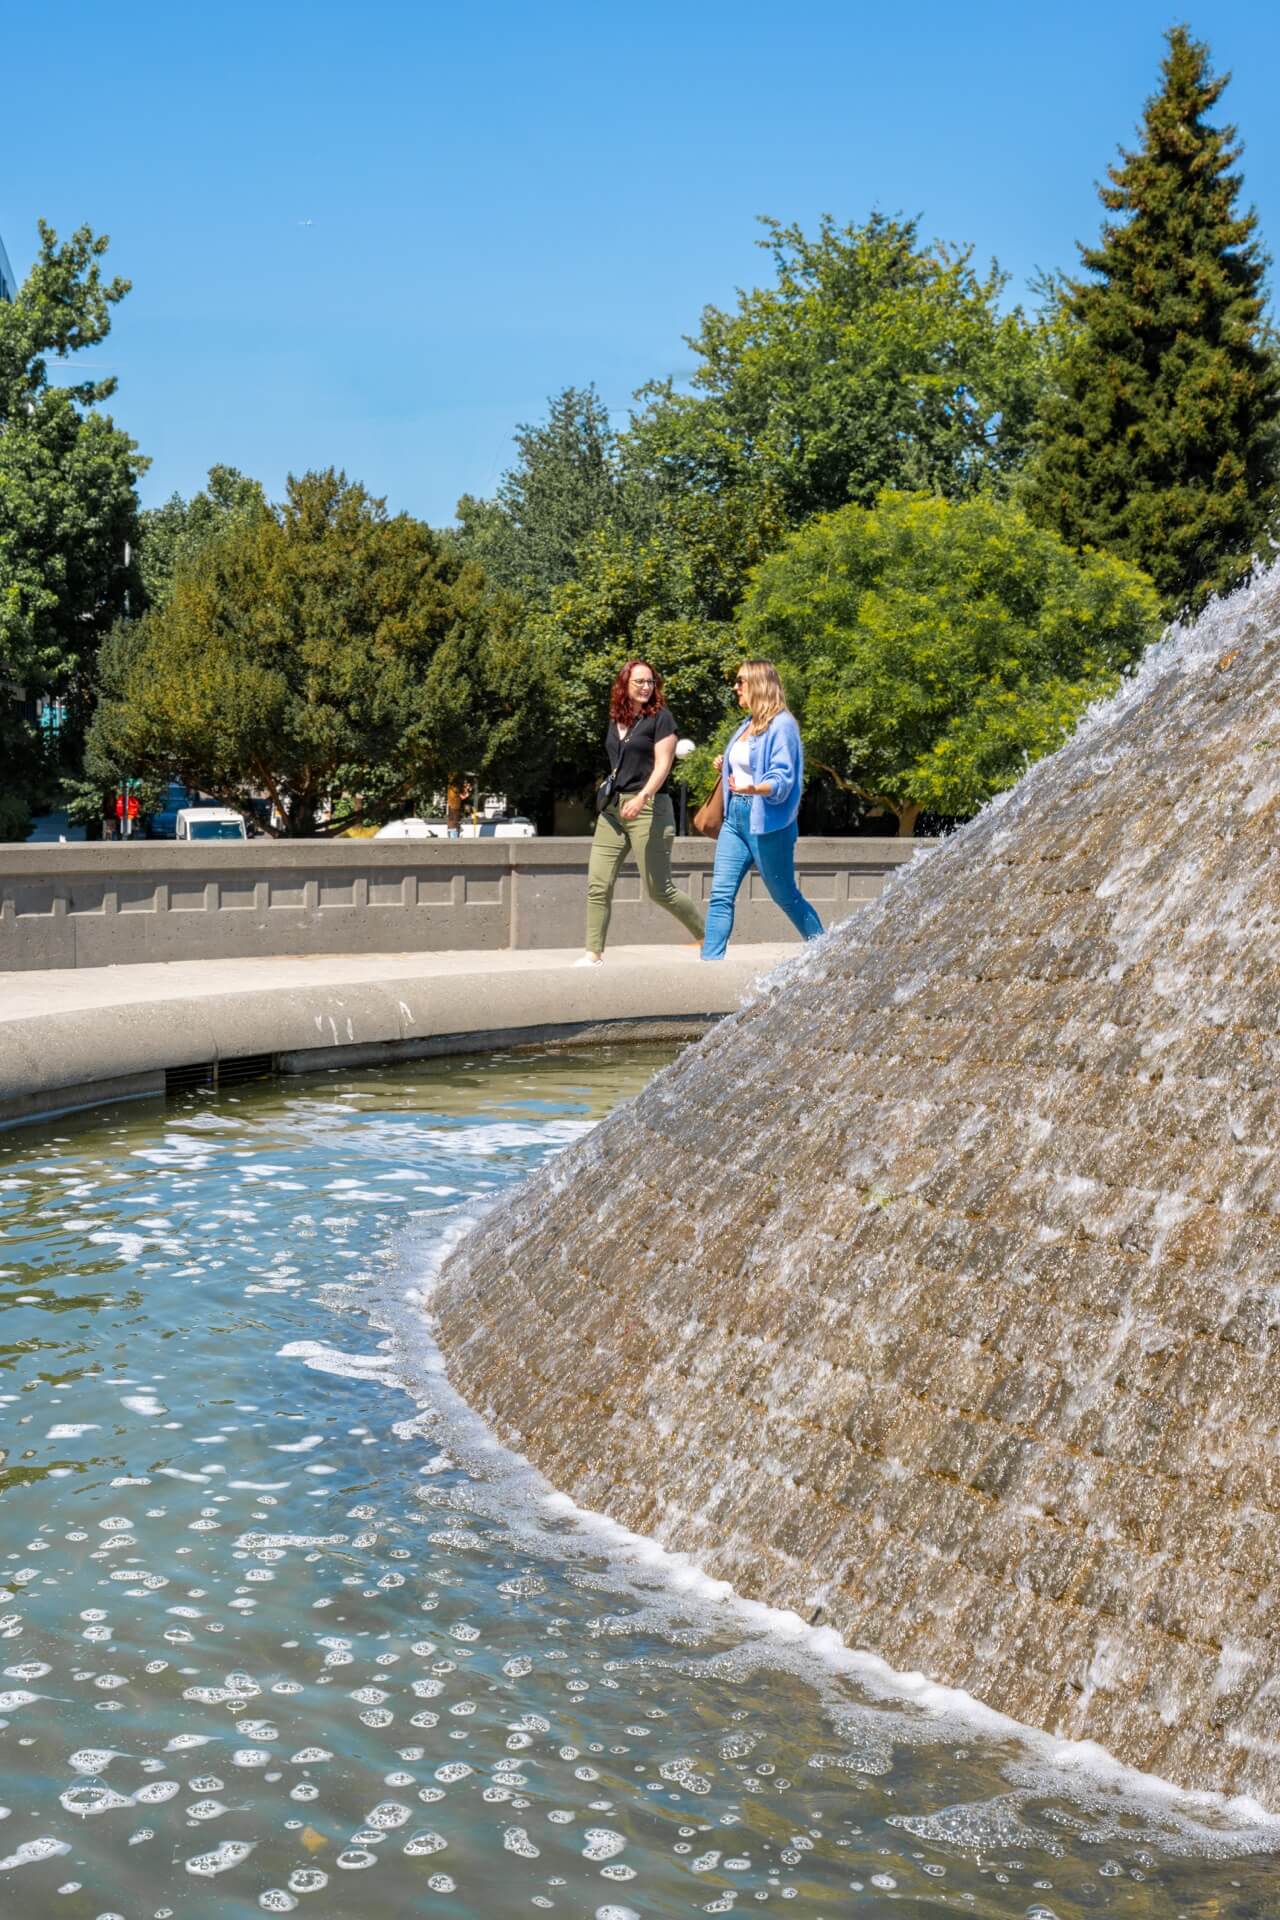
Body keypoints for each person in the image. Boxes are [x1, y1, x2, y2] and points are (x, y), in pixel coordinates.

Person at [578, 659, 706, 964]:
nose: (646, 687)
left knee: (659, 889)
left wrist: (642, 797)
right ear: (624, 684)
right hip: (613, 810)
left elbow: (663, 765)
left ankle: (709, 937)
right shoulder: (616, 719)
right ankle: (593, 954)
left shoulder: (662, 718)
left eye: (650, 682)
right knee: (598, 884)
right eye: (640, 682)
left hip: (650, 808)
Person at [701, 660, 824, 959]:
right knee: (720, 895)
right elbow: (746, 765)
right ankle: (710, 963)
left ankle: (826, 950)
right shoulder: (746, 724)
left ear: (758, 683)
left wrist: (754, 788)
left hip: (767, 823)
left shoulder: (783, 725)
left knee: (785, 896)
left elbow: (783, 778)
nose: (735, 687)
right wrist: (726, 765)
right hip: (734, 819)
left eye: (740, 681)